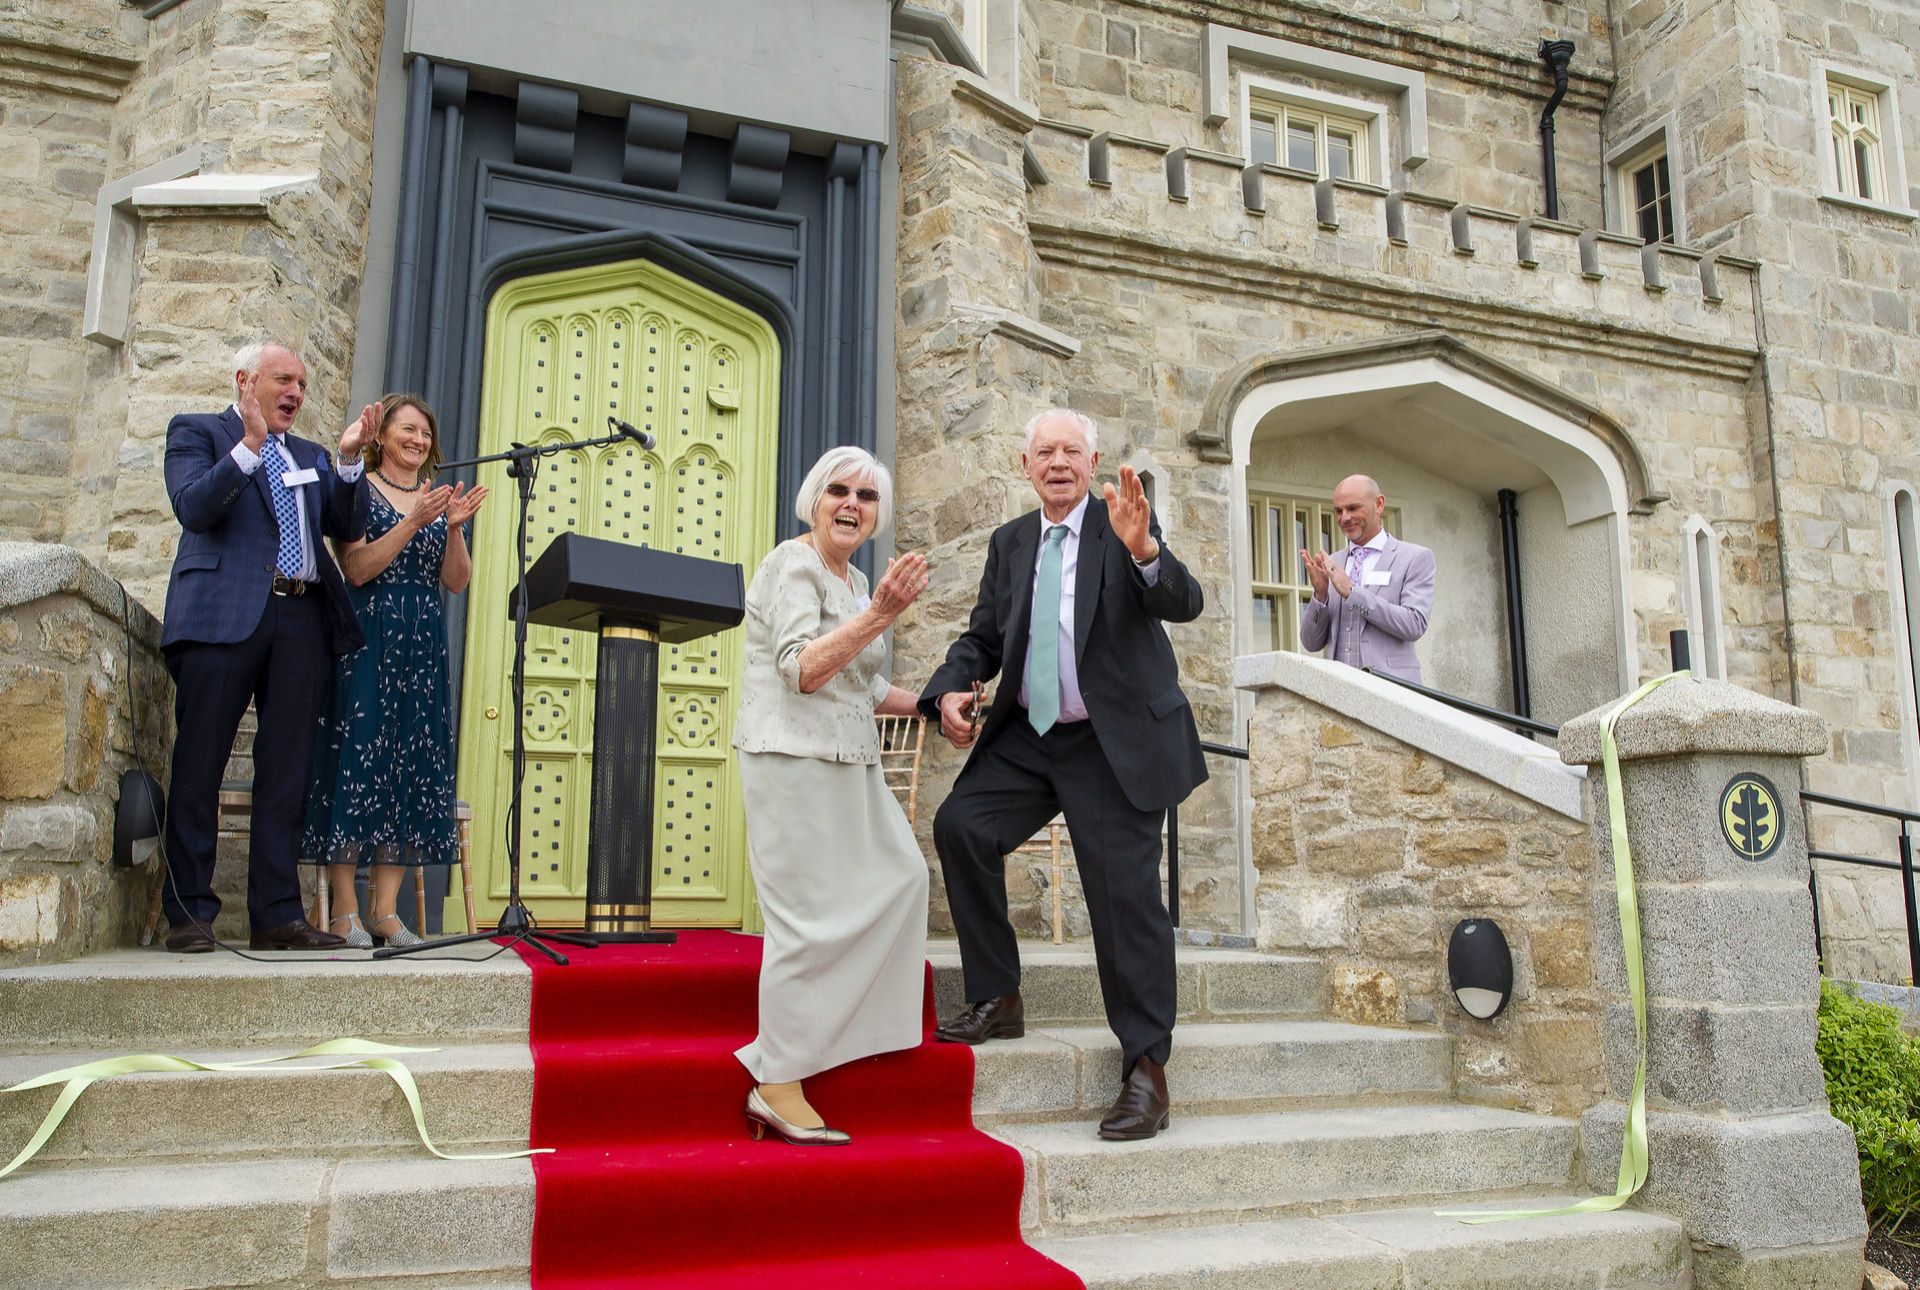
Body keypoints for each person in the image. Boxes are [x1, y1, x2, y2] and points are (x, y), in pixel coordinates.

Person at [921, 408, 1206, 1141]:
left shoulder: (1123, 525)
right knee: (961, 827)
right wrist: (951, 686)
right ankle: (998, 996)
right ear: (1025, 466)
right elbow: (983, 636)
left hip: (1109, 742)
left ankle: (1146, 1067)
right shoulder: (1010, 542)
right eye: (1043, 452)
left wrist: (1146, 551)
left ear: (1094, 461)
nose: (1056, 462)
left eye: (1070, 452)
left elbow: (1182, 600)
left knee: (1124, 901)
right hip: (1029, 736)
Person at [731, 446, 932, 1145]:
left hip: (852, 762)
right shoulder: (794, 564)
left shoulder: (852, 582)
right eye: (838, 491)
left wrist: (935, 705)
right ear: (813, 501)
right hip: (791, 759)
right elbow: (802, 670)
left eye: (866, 496)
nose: (851, 504)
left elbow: (864, 685)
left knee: (904, 879)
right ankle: (777, 1082)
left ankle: (832, 1037)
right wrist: (880, 615)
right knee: (804, 922)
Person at [158, 341, 377, 952]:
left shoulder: (309, 454)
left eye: (303, 385)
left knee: (286, 773)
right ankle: (189, 914)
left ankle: (277, 914)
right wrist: (250, 446)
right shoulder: (197, 432)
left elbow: (346, 525)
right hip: (222, 617)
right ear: (245, 381)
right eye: (284, 380)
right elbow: (194, 508)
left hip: (301, 621)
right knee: (200, 761)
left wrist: (350, 460)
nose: (297, 394)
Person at [302, 395, 487, 949]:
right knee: (358, 762)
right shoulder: (358, 489)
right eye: (408, 430)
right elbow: (356, 568)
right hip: (368, 638)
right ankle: (344, 910)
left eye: (426, 434)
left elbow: (456, 581)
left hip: (421, 645)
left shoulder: (436, 500)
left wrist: (452, 528)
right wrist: (412, 522)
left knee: (408, 765)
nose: (419, 441)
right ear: (381, 436)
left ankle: (385, 912)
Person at [1299, 474, 1436, 685]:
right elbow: (1310, 642)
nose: (1344, 518)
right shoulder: (1333, 563)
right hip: (1338, 694)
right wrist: (1320, 595)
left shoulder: (1414, 557)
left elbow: (1414, 624)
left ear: (1379, 504)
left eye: (1353, 508)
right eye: (1338, 511)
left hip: (1393, 693)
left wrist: (1353, 592)